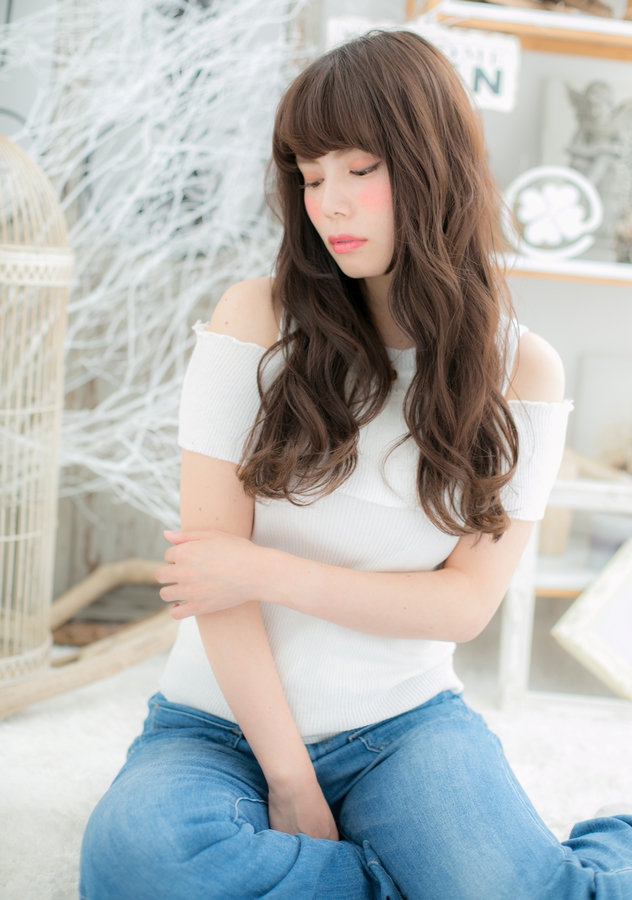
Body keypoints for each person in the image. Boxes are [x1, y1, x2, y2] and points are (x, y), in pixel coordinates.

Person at [79, 30, 632, 900]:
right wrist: (290, 780)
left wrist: (265, 569)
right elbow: (209, 584)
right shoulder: (254, 321)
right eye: (309, 176)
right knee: (139, 862)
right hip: (217, 726)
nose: (328, 204)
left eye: (359, 169)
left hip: (404, 725)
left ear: (433, 166)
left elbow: (464, 604)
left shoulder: (522, 371)